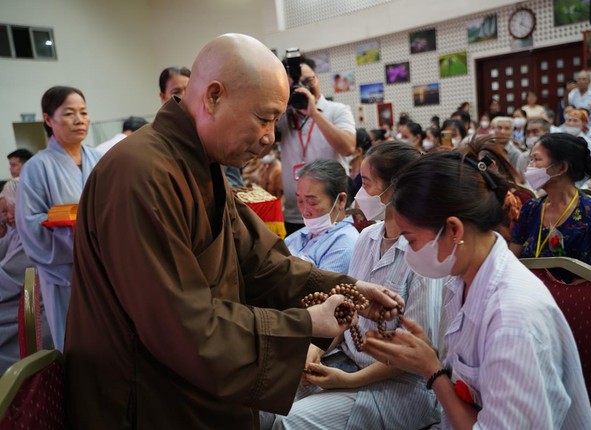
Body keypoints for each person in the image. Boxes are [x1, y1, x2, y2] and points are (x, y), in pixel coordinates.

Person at [64, 34, 401, 429]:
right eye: (264, 118)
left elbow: (262, 264)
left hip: (190, 377)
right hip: (144, 392)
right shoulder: (141, 174)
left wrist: (348, 290)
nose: (270, 137)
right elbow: (179, 324)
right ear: (213, 97)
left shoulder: (201, 166)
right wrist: (306, 323)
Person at [362, 150, 591, 429]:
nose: (410, 253)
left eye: (411, 240)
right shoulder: (462, 279)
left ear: (454, 230)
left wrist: (431, 369)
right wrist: (428, 353)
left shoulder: (512, 320)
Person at [266, 142, 443, 430]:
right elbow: (349, 312)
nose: (360, 193)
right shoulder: (367, 237)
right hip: (347, 359)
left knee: (289, 424)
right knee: (264, 403)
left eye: (367, 183)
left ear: (397, 188)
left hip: (400, 385)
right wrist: (317, 349)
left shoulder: (424, 252)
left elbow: (416, 351)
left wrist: (348, 381)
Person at [15, 86, 101, 350]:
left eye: (83, 112)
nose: (79, 120)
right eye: (69, 113)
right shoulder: (36, 167)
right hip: (65, 276)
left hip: (106, 270)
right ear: (48, 119)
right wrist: (81, 236)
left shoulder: (101, 160)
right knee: (79, 344)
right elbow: (31, 226)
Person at [510, 133, 591, 277]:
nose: (530, 166)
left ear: (561, 168)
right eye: (531, 160)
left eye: (536, 159)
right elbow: (513, 259)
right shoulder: (531, 208)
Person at [277, 56, 356, 235]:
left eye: (308, 81)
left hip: (332, 213)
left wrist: (314, 113)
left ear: (317, 78)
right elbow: (259, 151)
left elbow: (348, 147)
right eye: (294, 84)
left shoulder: (338, 110)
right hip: (295, 214)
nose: (302, 87)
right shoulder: (284, 117)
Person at [0, 178, 53, 373]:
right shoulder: (18, 231)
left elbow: (8, 276)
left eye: (8, 210)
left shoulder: (34, 233)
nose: (7, 217)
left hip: (34, 307)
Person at [284, 159, 358, 275]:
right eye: (299, 201)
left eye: (312, 203)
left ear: (340, 200)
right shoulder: (304, 233)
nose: (305, 211)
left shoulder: (345, 244)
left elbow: (320, 284)